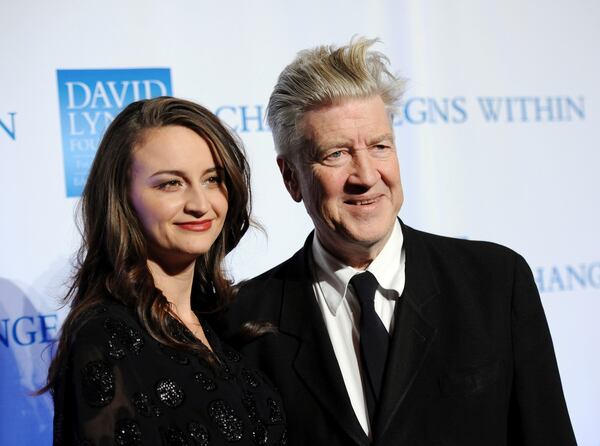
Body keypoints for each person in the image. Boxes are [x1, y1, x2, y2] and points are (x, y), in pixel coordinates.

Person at [218, 38, 577, 445]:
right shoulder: (245, 320)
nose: (366, 175)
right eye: (336, 154)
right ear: (291, 178)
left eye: (379, 146)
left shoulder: (495, 282)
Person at [41, 97, 287, 445]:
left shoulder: (220, 323)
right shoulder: (106, 336)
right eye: (170, 184)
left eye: (212, 179)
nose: (200, 204)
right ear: (122, 199)